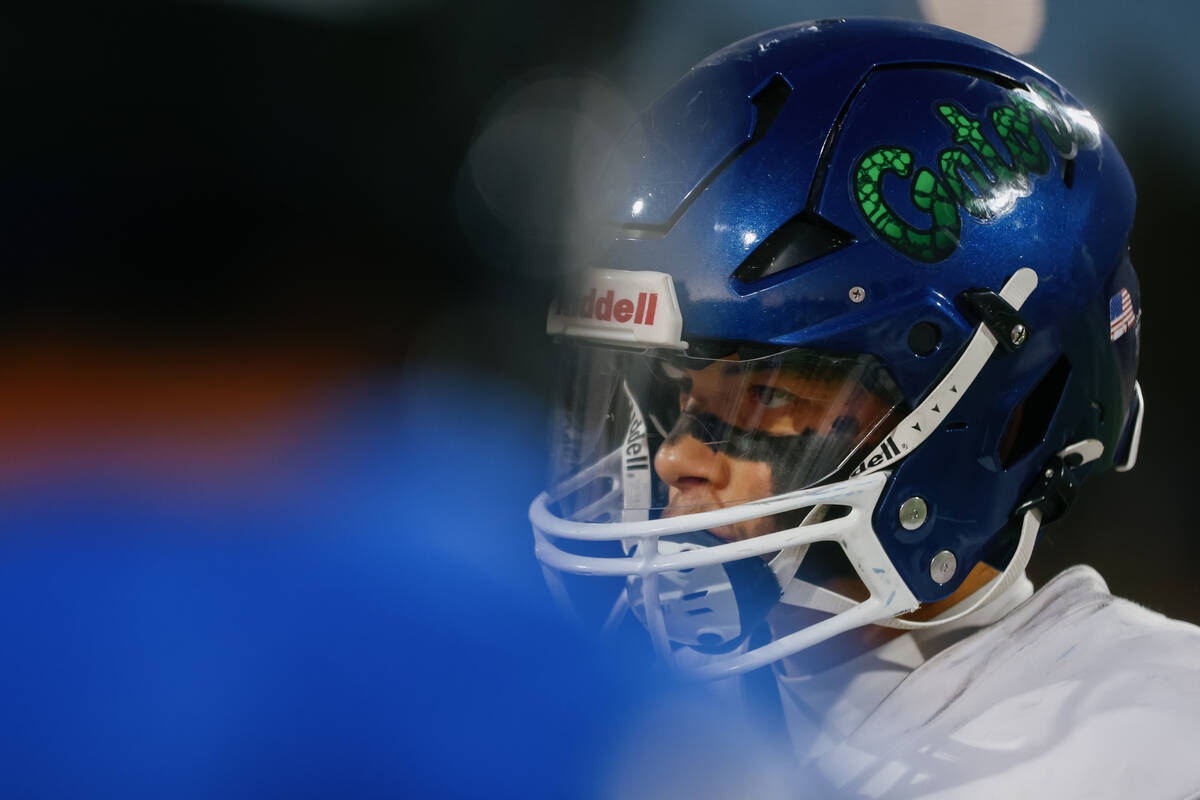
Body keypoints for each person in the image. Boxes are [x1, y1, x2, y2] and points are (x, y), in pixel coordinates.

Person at [529, 18, 1200, 798]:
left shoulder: (1151, 744)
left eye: (768, 399)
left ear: (1004, 416)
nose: (676, 455)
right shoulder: (656, 718)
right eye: (682, 397)